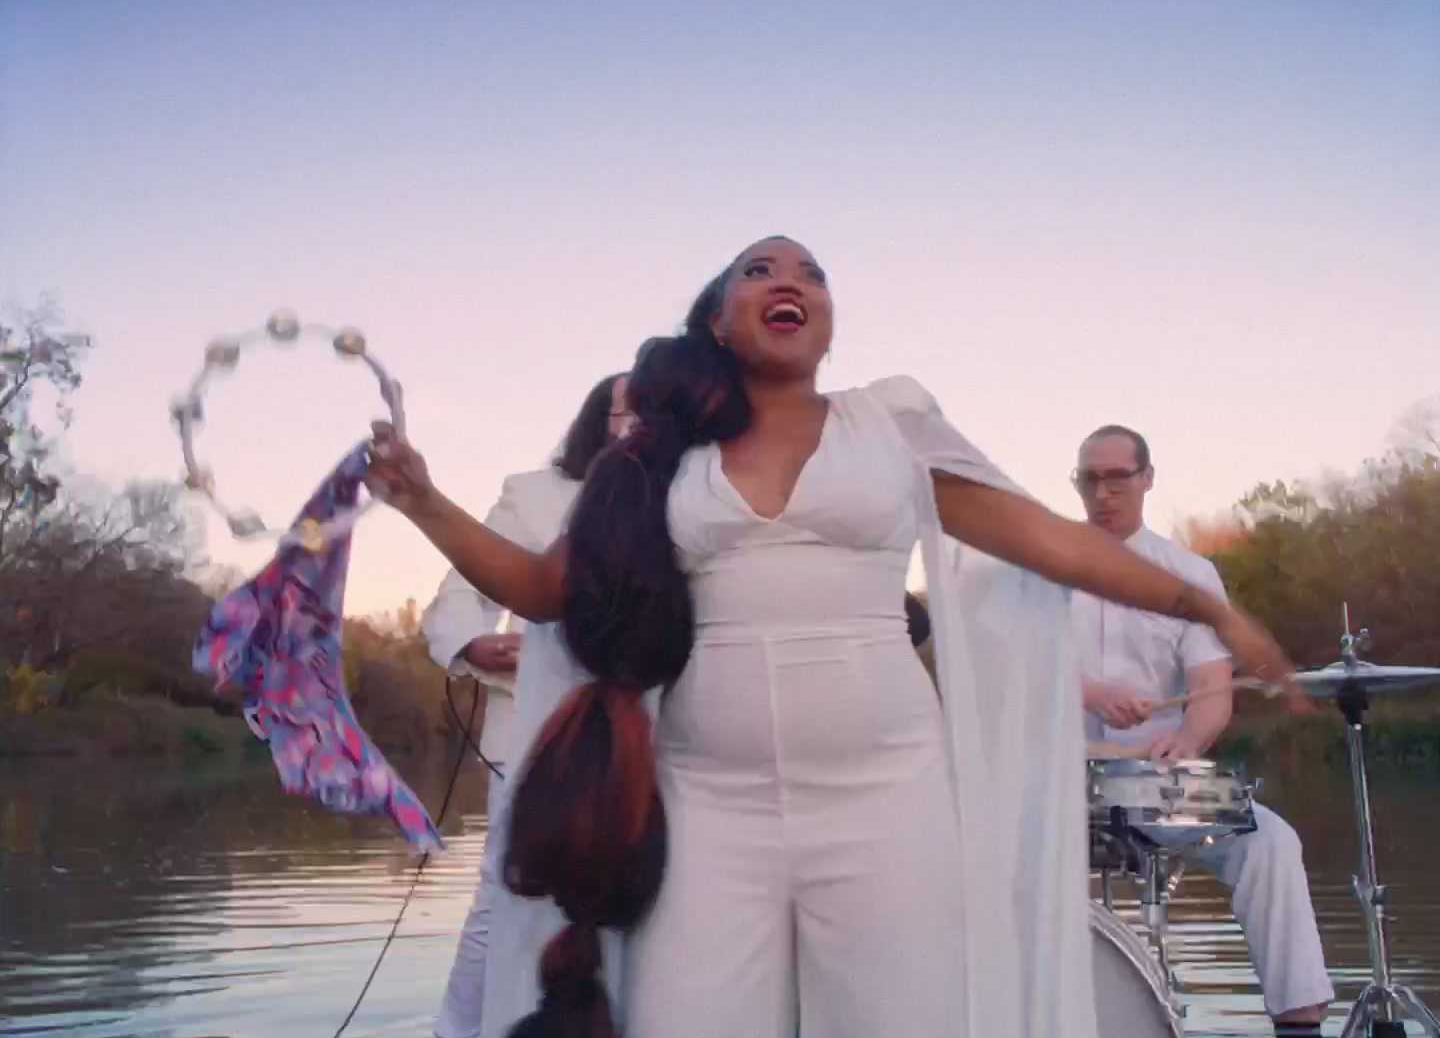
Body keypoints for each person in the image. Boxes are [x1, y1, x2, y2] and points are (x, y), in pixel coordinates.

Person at [366, 236, 1297, 1038]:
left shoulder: (887, 424)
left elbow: (1050, 541)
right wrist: (421, 501)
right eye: (759, 269)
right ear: (719, 323)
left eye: (811, 272)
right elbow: (543, 587)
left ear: (828, 318)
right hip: (705, 809)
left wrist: (1207, 608)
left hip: (886, 801)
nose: (790, 281)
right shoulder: (656, 457)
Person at [1070, 424, 1333, 1036]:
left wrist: (1186, 742)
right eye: (1091, 480)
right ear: (1077, 484)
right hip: (1054, 778)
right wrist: (1091, 693)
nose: (1104, 493)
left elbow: (1213, 690)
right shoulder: (1042, 569)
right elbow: (1014, 673)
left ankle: (1300, 1022)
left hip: (1161, 783)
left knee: (1269, 841)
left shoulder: (1190, 574)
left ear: (1147, 479)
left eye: (1118, 478)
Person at [422, 372, 632, 1038]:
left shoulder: (685, 492)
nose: (632, 424)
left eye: (648, 410)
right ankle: (460, 1032)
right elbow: (458, 594)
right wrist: (473, 644)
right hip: (534, 730)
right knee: (504, 899)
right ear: (596, 418)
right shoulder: (533, 494)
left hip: (651, 736)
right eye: (621, 410)